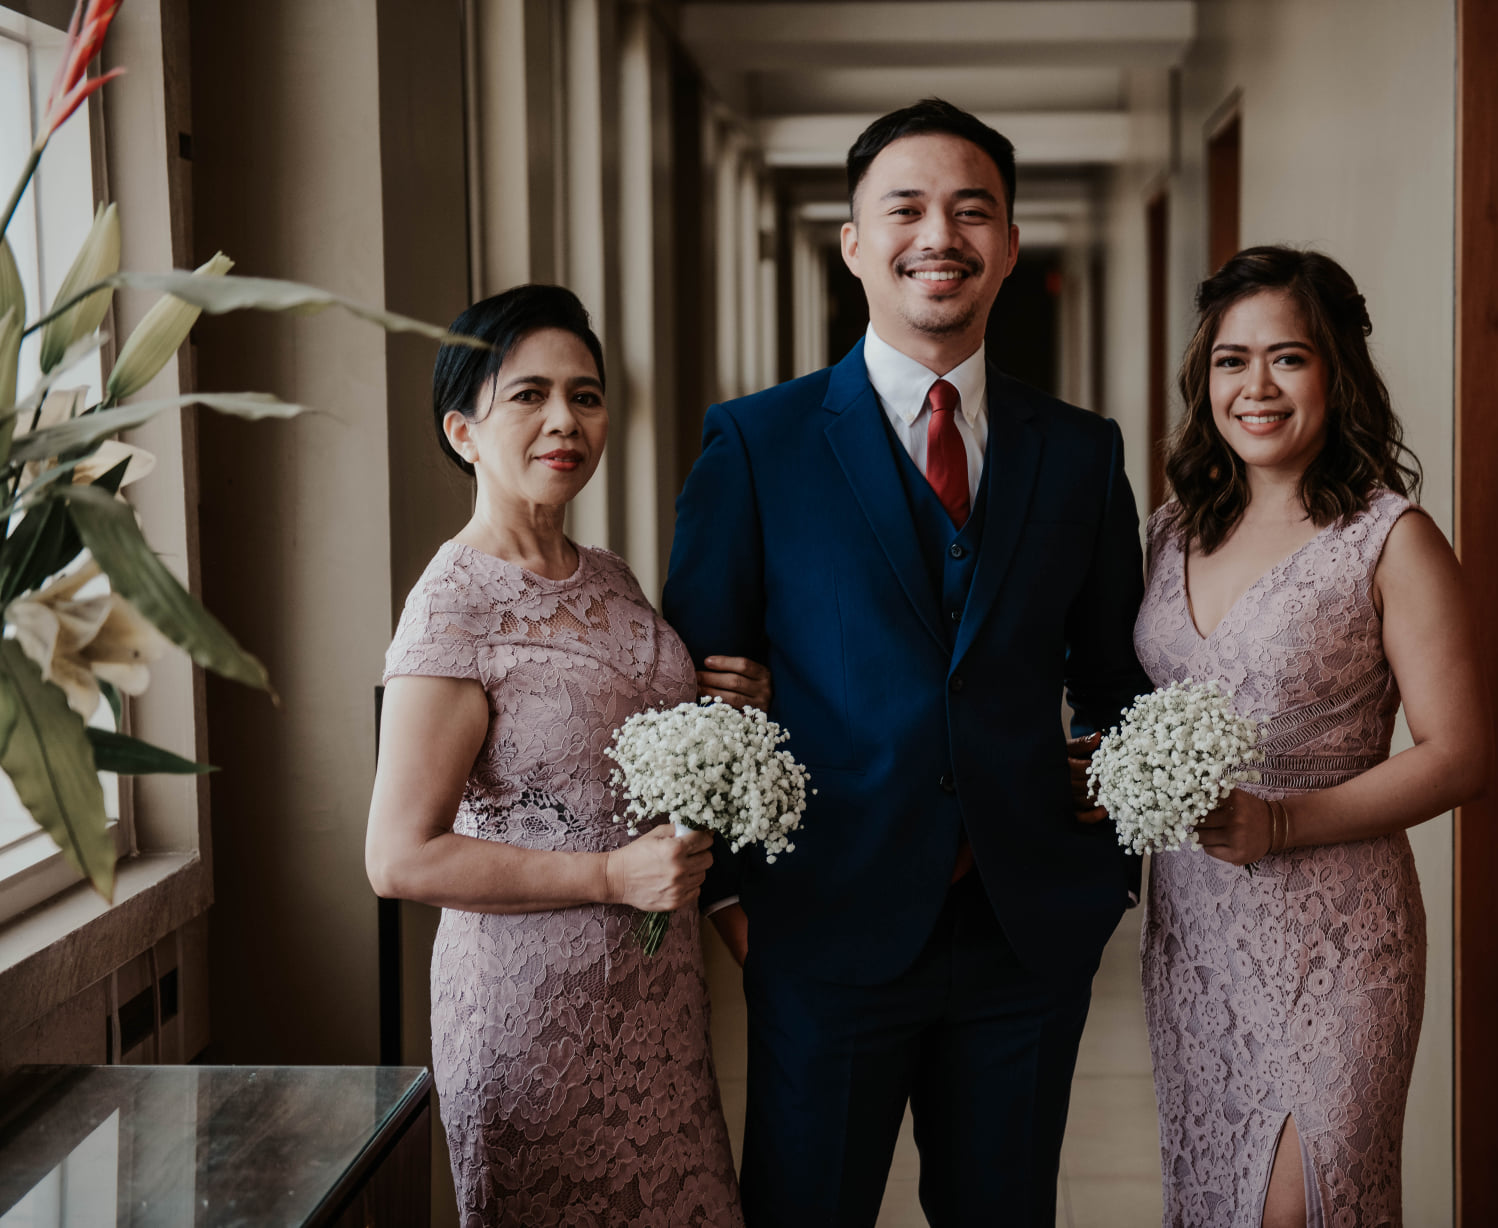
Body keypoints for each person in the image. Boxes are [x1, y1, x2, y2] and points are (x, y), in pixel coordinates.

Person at [662, 99, 1150, 1227]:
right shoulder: (757, 443)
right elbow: (694, 695)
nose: (941, 235)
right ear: (853, 242)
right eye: (907, 209)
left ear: (1010, 246)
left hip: (1023, 937)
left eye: (972, 211)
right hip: (821, 925)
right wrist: (733, 899)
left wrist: (1102, 869)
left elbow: (1115, 683)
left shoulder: (1081, 452)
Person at [364, 284, 770, 1227]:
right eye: (529, 396)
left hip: (657, 1003)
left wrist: (728, 704)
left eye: (585, 396)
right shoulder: (453, 605)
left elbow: (636, 752)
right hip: (532, 1019)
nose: (565, 421)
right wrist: (611, 876)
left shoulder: (612, 578)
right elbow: (398, 858)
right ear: (463, 431)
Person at [1134, 247, 1488, 1228]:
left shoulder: (1390, 538)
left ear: (1336, 374)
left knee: (1298, 1210)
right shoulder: (1170, 532)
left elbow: (1460, 753)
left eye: (1287, 358)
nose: (1255, 387)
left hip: (1336, 941)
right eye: (1231, 360)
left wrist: (1282, 824)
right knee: (1216, 1203)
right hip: (1193, 934)